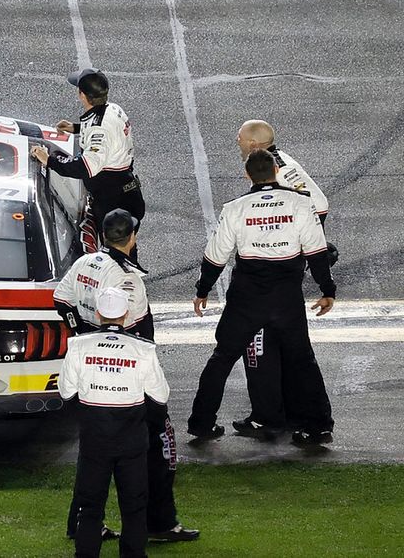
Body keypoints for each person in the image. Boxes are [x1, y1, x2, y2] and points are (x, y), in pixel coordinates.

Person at [54, 210, 198, 544]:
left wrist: (83, 334)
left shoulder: (84, 263)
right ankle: (158, 523)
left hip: (92, 372)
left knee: (93, 455)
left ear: (104, 235)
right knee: (159, 446)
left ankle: (81, 523)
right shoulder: (128, 279)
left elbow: (62, 300)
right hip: (128, 375)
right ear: (132, 237)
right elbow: (137, 331)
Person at [188, 150, 336, 447]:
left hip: (246, 299)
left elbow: (215, 256)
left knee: (222, 358)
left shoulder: (235, 208)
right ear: (275, 171)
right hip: (286, 299)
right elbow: (317, 252)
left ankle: (202, 423)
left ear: (248, 175)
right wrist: (327, 290)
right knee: (303, 360)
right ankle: (319, 427)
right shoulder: (300, 204)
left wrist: (202, 291)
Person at [233, 119, 336, 438]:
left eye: (240, 138)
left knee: (273, 345)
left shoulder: (272, 171)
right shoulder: (283, 161)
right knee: (275, 344)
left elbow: (314, 210)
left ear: (253, 145)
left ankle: (311, 421)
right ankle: (276, 413)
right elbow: (318, 204)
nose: (237, 142)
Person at [59, 287, 170, 558]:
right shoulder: (142, 349)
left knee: (90, 506)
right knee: (134, 506)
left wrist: (90, 416)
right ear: (126, 314)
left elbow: (66, 393)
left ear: (97, 313)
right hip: (131, 438)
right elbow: (160, 397)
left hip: (94, 439)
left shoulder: (79, 346)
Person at [31, 68, 145, 257]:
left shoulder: (99, 130)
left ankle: (123, 281)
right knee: (125, 245)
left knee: (116, 252)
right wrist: (75, 128)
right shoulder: (113, 108)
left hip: (113, 199)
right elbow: (107, 132)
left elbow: (84, 167)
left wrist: (49, 160)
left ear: (82, 95)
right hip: (126, 192)